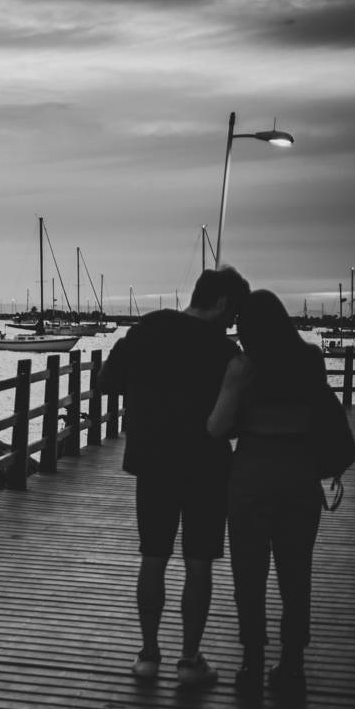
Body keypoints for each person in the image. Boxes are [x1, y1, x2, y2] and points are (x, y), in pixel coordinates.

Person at [100, 265, 250, 687]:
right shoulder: (225, 353)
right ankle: (189, 661)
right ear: (220, 302)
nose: (234, 320)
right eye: (233, 311)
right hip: (206, 465)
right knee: (198, 563)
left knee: (153, 557)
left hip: (153, 461)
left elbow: (106, 383)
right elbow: (236, 419)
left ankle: (148, 655)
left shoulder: (149, 328)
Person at [207, 289, 331, 700]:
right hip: (300, 481)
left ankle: (252, 662)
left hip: (251, 482)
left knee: (250, 576)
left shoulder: (244, 367)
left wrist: (229, 386)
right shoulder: (311, 360)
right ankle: (293, 663)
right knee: (296, 576)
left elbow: (217, 428)